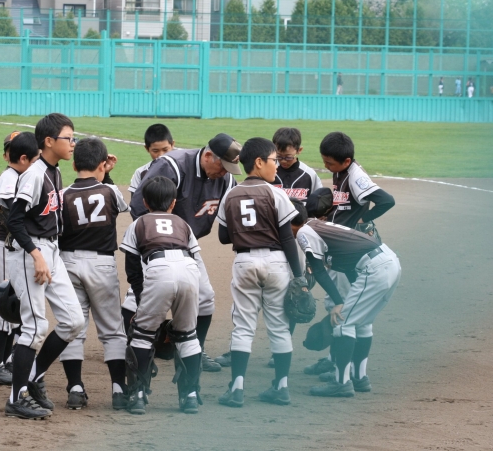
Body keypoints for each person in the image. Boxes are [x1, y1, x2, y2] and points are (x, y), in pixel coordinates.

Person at [128, 133, 241, 372]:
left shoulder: (226, 179)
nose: (225, 172)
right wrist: (151, 243)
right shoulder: (172, 166)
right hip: (154, 245)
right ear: (208, 156)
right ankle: (134, 351)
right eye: (223, 166)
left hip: (187, 246)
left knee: (205, 298)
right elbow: (139, 206)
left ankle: (194, 351)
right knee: (141, 295)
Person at [215, 127, 322, 369]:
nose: (280, 162)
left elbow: (317, 207)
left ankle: (249, 371)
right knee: (274, 312)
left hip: (285, 245)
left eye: (286, 157)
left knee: (281, 302)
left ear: (299, 151)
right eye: (277, 158)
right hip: (278, 250)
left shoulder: (308, 175)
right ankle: (278, 378)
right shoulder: (272, 185)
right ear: (262, 160)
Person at [3, 113, 85, 419]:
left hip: (50, 250)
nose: (73, 143)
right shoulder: (34, 174)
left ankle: (34, 376)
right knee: (36, 327)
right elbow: (14, 220)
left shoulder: (55, 171)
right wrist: (36, 255)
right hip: (30, 253)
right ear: (49, 141)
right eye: (68, 138)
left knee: (73, 321)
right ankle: (16, 398)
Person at [290, 192, 401, 397]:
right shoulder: (316, 225)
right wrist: (347, 300)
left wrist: (339, 303)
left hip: (374, 268)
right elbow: (347, 265)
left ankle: (341, 383)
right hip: (388, 263)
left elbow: (319, 271)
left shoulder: (304, 233)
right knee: (362, 323)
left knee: (343, 324)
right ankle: (359, 378)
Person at [303, 131, 395, 376]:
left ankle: (343, 372)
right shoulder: (340, 171)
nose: (326, 166)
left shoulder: (355, 176)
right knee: (345, 310)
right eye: (324, 161)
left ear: (346, 161)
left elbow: (386, 200)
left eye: (330, 163)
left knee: (343, 311)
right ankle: (339, 362)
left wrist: (363, 220)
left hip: (350, 254)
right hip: (345, 251)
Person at [120, 176, 203, 415]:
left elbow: (133, 269)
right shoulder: (183, 224)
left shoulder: (138, 223)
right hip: (189, 270)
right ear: (173, 202)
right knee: (187, 335)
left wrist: (140, 300)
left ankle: (137, 395)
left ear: (145, 202)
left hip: (158, 270)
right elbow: (195, 258)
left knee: (142, 334)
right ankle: (190, 396)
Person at [57, 137, 129, 410]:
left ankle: (75, 387)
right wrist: (106, 174)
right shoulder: (110, 191)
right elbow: (121, 206)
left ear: (74, 165)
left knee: (74, 328)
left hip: (68, 263)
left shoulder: (62, 195)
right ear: (102, 164)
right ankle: (119, 389)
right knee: (112, 330)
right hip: (102, 264)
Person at [0, 131, 39, 385]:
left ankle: (3, 362)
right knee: (1, 309)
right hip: (1, 247)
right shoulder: (9, 176)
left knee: (11, 310)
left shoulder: (19, 176)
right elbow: (5, 210)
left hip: (7, 248)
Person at [122, 124, 175, 332]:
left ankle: (180, 340)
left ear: (173, 145)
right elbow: (136, 208)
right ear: (147, 149)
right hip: (151, 240)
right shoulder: (141, 172)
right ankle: (133, 337)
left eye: (165, 150)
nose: (160, 155)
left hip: (176, 238)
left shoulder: (180, 169)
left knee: (192, 293)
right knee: (140, 287)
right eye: (155, 151)